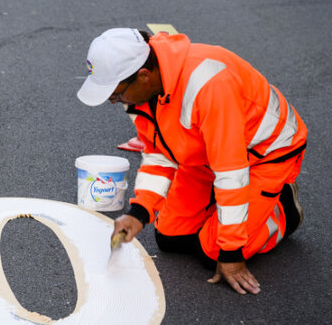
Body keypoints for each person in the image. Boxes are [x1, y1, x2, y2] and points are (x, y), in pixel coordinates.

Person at [77, 28, 307, 295]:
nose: (115, 102)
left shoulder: (210, 86)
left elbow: (232, 173)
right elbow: (160, 153)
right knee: (170, 237)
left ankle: (281, 210)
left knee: (214, 253)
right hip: (204, 154)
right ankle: (223, 209)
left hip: (262, 156)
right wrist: (140, 211)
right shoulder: (144, 93)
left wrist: (232, 252)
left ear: (143, 76)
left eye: (116, 95)